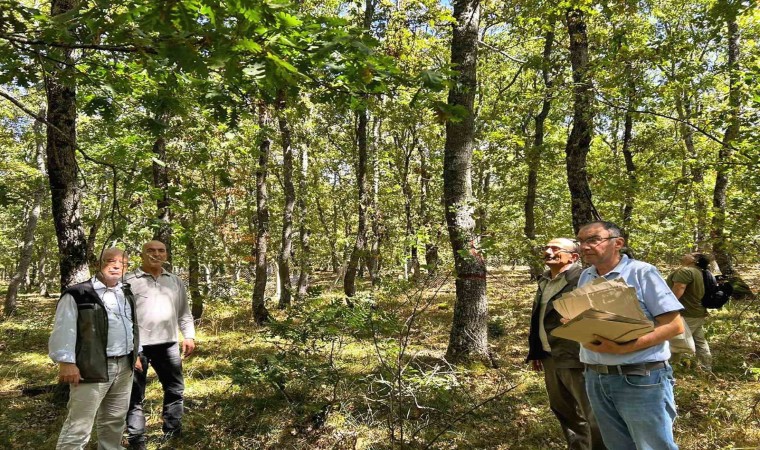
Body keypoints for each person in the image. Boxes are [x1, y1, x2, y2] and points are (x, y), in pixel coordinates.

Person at [576, 221, 684, 450]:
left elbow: (674, 326)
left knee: (652, 446)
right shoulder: (586, 275)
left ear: (618, 243)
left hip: (639, 377)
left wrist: (625, 348)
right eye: (581, 241)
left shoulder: (642, 273)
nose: (584, 246)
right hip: (596, 377)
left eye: (593, 239)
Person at [49, 248, 140, 450]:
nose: (116, 266)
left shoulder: (125, 292)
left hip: (124, 365)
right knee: (79, 424)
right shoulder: (79, 293)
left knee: (114, 420)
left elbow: (131, 325)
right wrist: (66, 362)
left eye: (122, 263)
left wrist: (136, 353)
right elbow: (64, 328)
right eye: (110, 261)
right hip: (91, 366)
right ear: (99, 264)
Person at [526, 238, 605, 450]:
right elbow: (539, 317)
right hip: (550, 355)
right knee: (563, 410)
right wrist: (536, 350)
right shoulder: (544, 280)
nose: (548, 252)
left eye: (555, 249)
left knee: (592, 413)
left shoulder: (583, 279)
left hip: (577, 356)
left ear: (574, 257)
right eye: (546, 248)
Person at [125, 240, 196, 449]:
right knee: (134, 394)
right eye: (151, 250)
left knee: (175, 389)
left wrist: (189, 336)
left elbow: (184, 311)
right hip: (137, 347)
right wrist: (130, 348)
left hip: (168, 344)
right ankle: (137, 439)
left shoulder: (174, 281)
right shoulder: (128, 281)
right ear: (142, 255)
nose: (156, 254)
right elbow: (120, 317)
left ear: (166, 254)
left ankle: (172, 434)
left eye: (161, 250)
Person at [667, 252, 711, 370]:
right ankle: (706, 368)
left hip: (686, 313)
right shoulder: (700, 272)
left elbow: (679, 288)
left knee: (677, 341)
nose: (684, 254)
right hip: (697, 312)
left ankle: (674, 367)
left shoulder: (685, 271)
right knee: (699, 341)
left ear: (694, 260)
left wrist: (668, 306)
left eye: (690, 254)